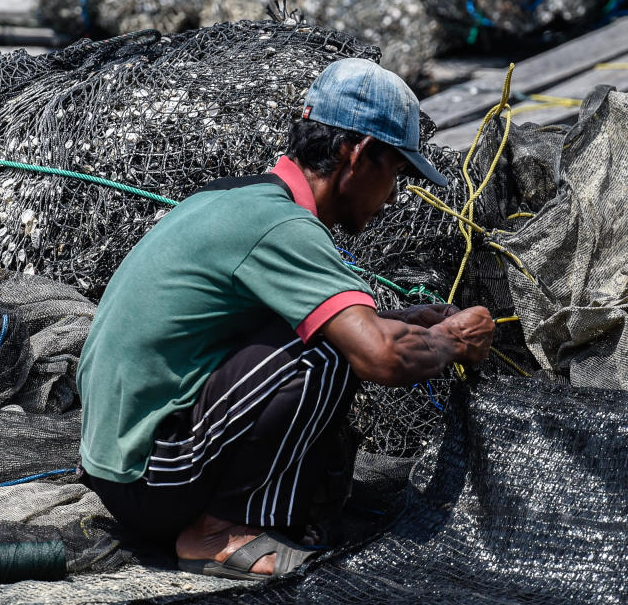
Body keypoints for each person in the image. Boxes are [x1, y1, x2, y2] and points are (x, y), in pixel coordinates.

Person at [75, 58, 495, 580]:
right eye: (396, 174)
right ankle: (219, 533)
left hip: (122, 470)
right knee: (328, 353)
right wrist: (454, 339)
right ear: (358, 154)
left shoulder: (237, 197)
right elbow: (380, 357)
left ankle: (229, 516)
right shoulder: (281, 226)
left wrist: (402, 317)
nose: (392, 199)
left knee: (329, 334)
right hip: (153, 480)